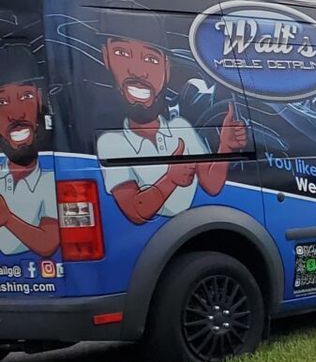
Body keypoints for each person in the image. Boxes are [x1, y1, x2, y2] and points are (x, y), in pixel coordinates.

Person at [95, 33, 248, 224]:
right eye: (122, 53)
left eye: (151, 59)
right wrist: (170, 179)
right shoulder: (111, 142)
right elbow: (135, 211)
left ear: (166, 69)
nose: (137, 71)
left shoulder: (181, 127)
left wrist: (225, 147)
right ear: (106, 58)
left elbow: (211, 185)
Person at [0, 48, 58, 257]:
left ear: (39, 100)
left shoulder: (52, 178)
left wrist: (7, 219)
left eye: (26, 96)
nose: (16, 113)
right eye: (2, 102)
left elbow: (48, 244)